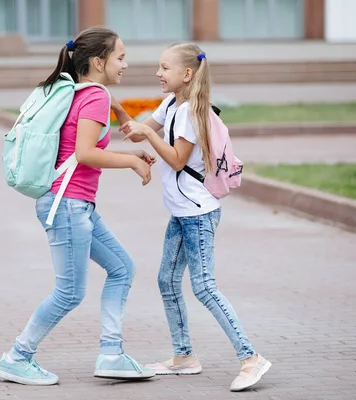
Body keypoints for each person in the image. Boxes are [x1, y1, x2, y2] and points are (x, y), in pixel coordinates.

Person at [0, 27, 157, 386]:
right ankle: (17, 357)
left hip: (73, 205)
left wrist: (120, 114)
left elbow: (94, 121)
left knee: (122, 268)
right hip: (68, 206)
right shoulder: (94, 96)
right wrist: (131, 160)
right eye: (120, 57)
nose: (126, 65)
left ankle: (112, 354)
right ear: (99, 61)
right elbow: (86, 153)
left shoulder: (77, 88)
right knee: (69, 293)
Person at [113, 42, 271, 392]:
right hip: (182, 213)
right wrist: (110, 103)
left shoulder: (190, 113)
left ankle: (251, 358)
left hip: (198, 215)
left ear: (187, 74)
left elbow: (177, 159)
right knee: (167, 281)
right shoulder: (171, 103)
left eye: (165, 67)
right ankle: (184, 357)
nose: (158, 73)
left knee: (204, 286)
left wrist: (150, 135)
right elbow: (138, 128)